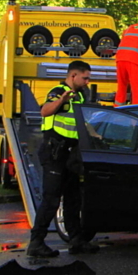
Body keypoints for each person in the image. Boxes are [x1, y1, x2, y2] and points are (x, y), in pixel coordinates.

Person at [27, 60, 99, 257]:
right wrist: (61, 100)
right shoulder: (59, 91)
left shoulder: (79, 97)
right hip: (54, 152)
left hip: (71, 153)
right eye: (85, 77)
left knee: (73, 198)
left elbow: (80, 122)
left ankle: (76, 240)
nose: (87, 81)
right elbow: (45, 111)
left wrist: (95, 135)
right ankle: (36, 243)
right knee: (51, 199)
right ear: (73, 75)